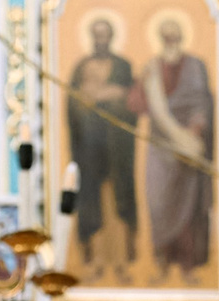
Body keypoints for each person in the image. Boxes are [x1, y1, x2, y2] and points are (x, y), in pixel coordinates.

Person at [137, 16, 214, 281]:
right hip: (160, 147)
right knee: (159, 204)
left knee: (188, 209)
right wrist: (142, 86)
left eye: (174, 36)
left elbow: (202, 102)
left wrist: (193, 130)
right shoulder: (153, 68)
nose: (171, 41)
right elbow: (136, 104)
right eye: (166, 37)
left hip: (188, 147)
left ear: (180, 37)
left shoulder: (195, 67)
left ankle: (187, 267)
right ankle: (160, 265)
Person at [67, 16, 137, 274]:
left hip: (118, 149)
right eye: (96, 35)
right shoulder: (81, 67)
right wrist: (83, 100)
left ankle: (122, 262)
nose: (100, 40)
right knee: (91, 199)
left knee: (120, 198)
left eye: (104, 34)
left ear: (111, 37)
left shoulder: (122, 67)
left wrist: (113, 96)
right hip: (89, 150)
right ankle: (93, 259)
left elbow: (133, 103)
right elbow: (71, 105)